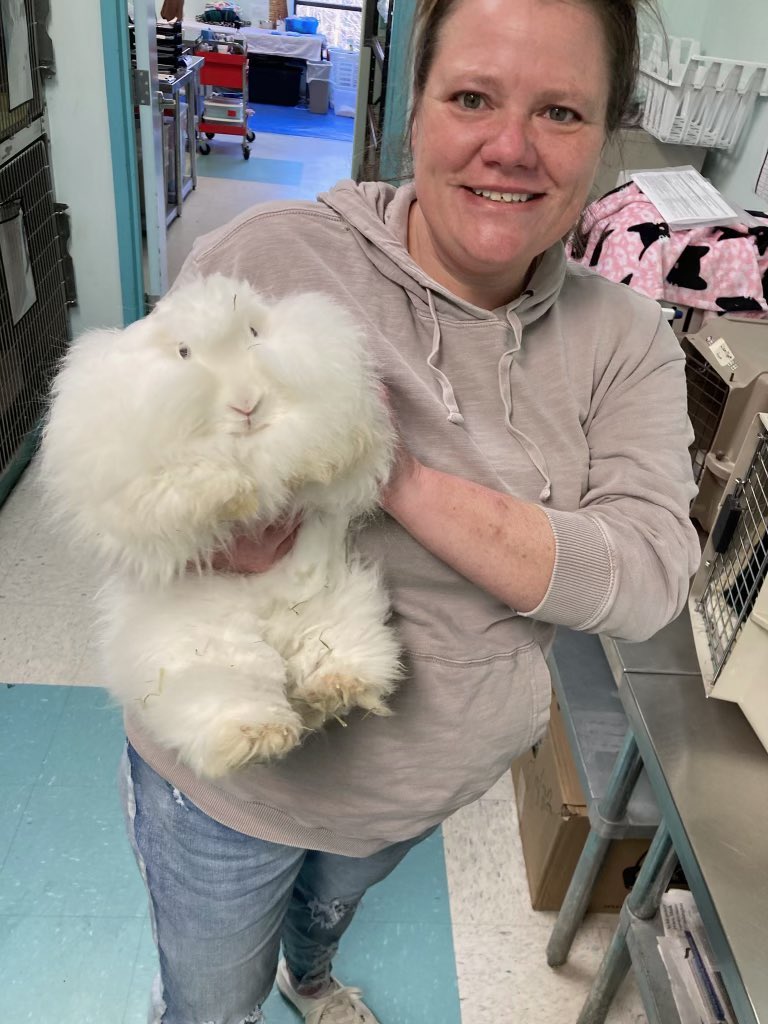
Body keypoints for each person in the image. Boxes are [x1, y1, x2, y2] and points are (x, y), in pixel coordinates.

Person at [120, 1, 700, 1021]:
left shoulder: (629, 341)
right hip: (228, 777)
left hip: (419, 783)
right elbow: (127, 474)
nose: (510, 147)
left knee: (329, 906)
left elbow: (651, 573)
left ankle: (312, 974)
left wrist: (385, 467)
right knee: (209, 1001)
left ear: (609, 137)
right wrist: (206, 536)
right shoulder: (275, 260)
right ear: (416, 110)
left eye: (561, 112)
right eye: (473, 97)